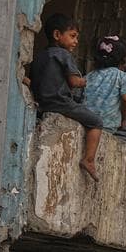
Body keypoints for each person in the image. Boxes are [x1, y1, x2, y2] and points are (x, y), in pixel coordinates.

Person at [28, 13, 103, 181]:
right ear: (57, 35)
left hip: (42, 103)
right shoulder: (63, 55)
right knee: (96, 121)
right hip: (60, 102)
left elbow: (31, 80)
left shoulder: (40, 56)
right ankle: (89, 160)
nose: (76, 41)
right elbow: (74, 81)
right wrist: (87, 81)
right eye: (73, 36)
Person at [83, 35, 126, 141]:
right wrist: (124, 119)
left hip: (85, 121)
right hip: (108, 124)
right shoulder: (123, 77)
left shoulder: (89, 76)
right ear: (123, 60)